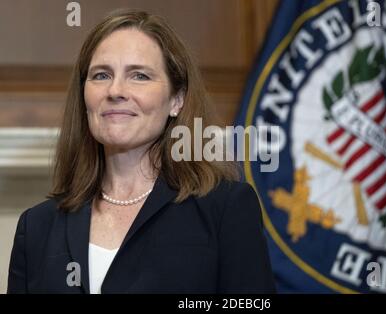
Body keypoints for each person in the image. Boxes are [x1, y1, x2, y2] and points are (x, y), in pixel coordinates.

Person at [7, 9, 275, 294]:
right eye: (101, 75)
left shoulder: (226, 209)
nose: (115, 90)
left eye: (139, 76)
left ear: (177, 99)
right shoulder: (37, 226)